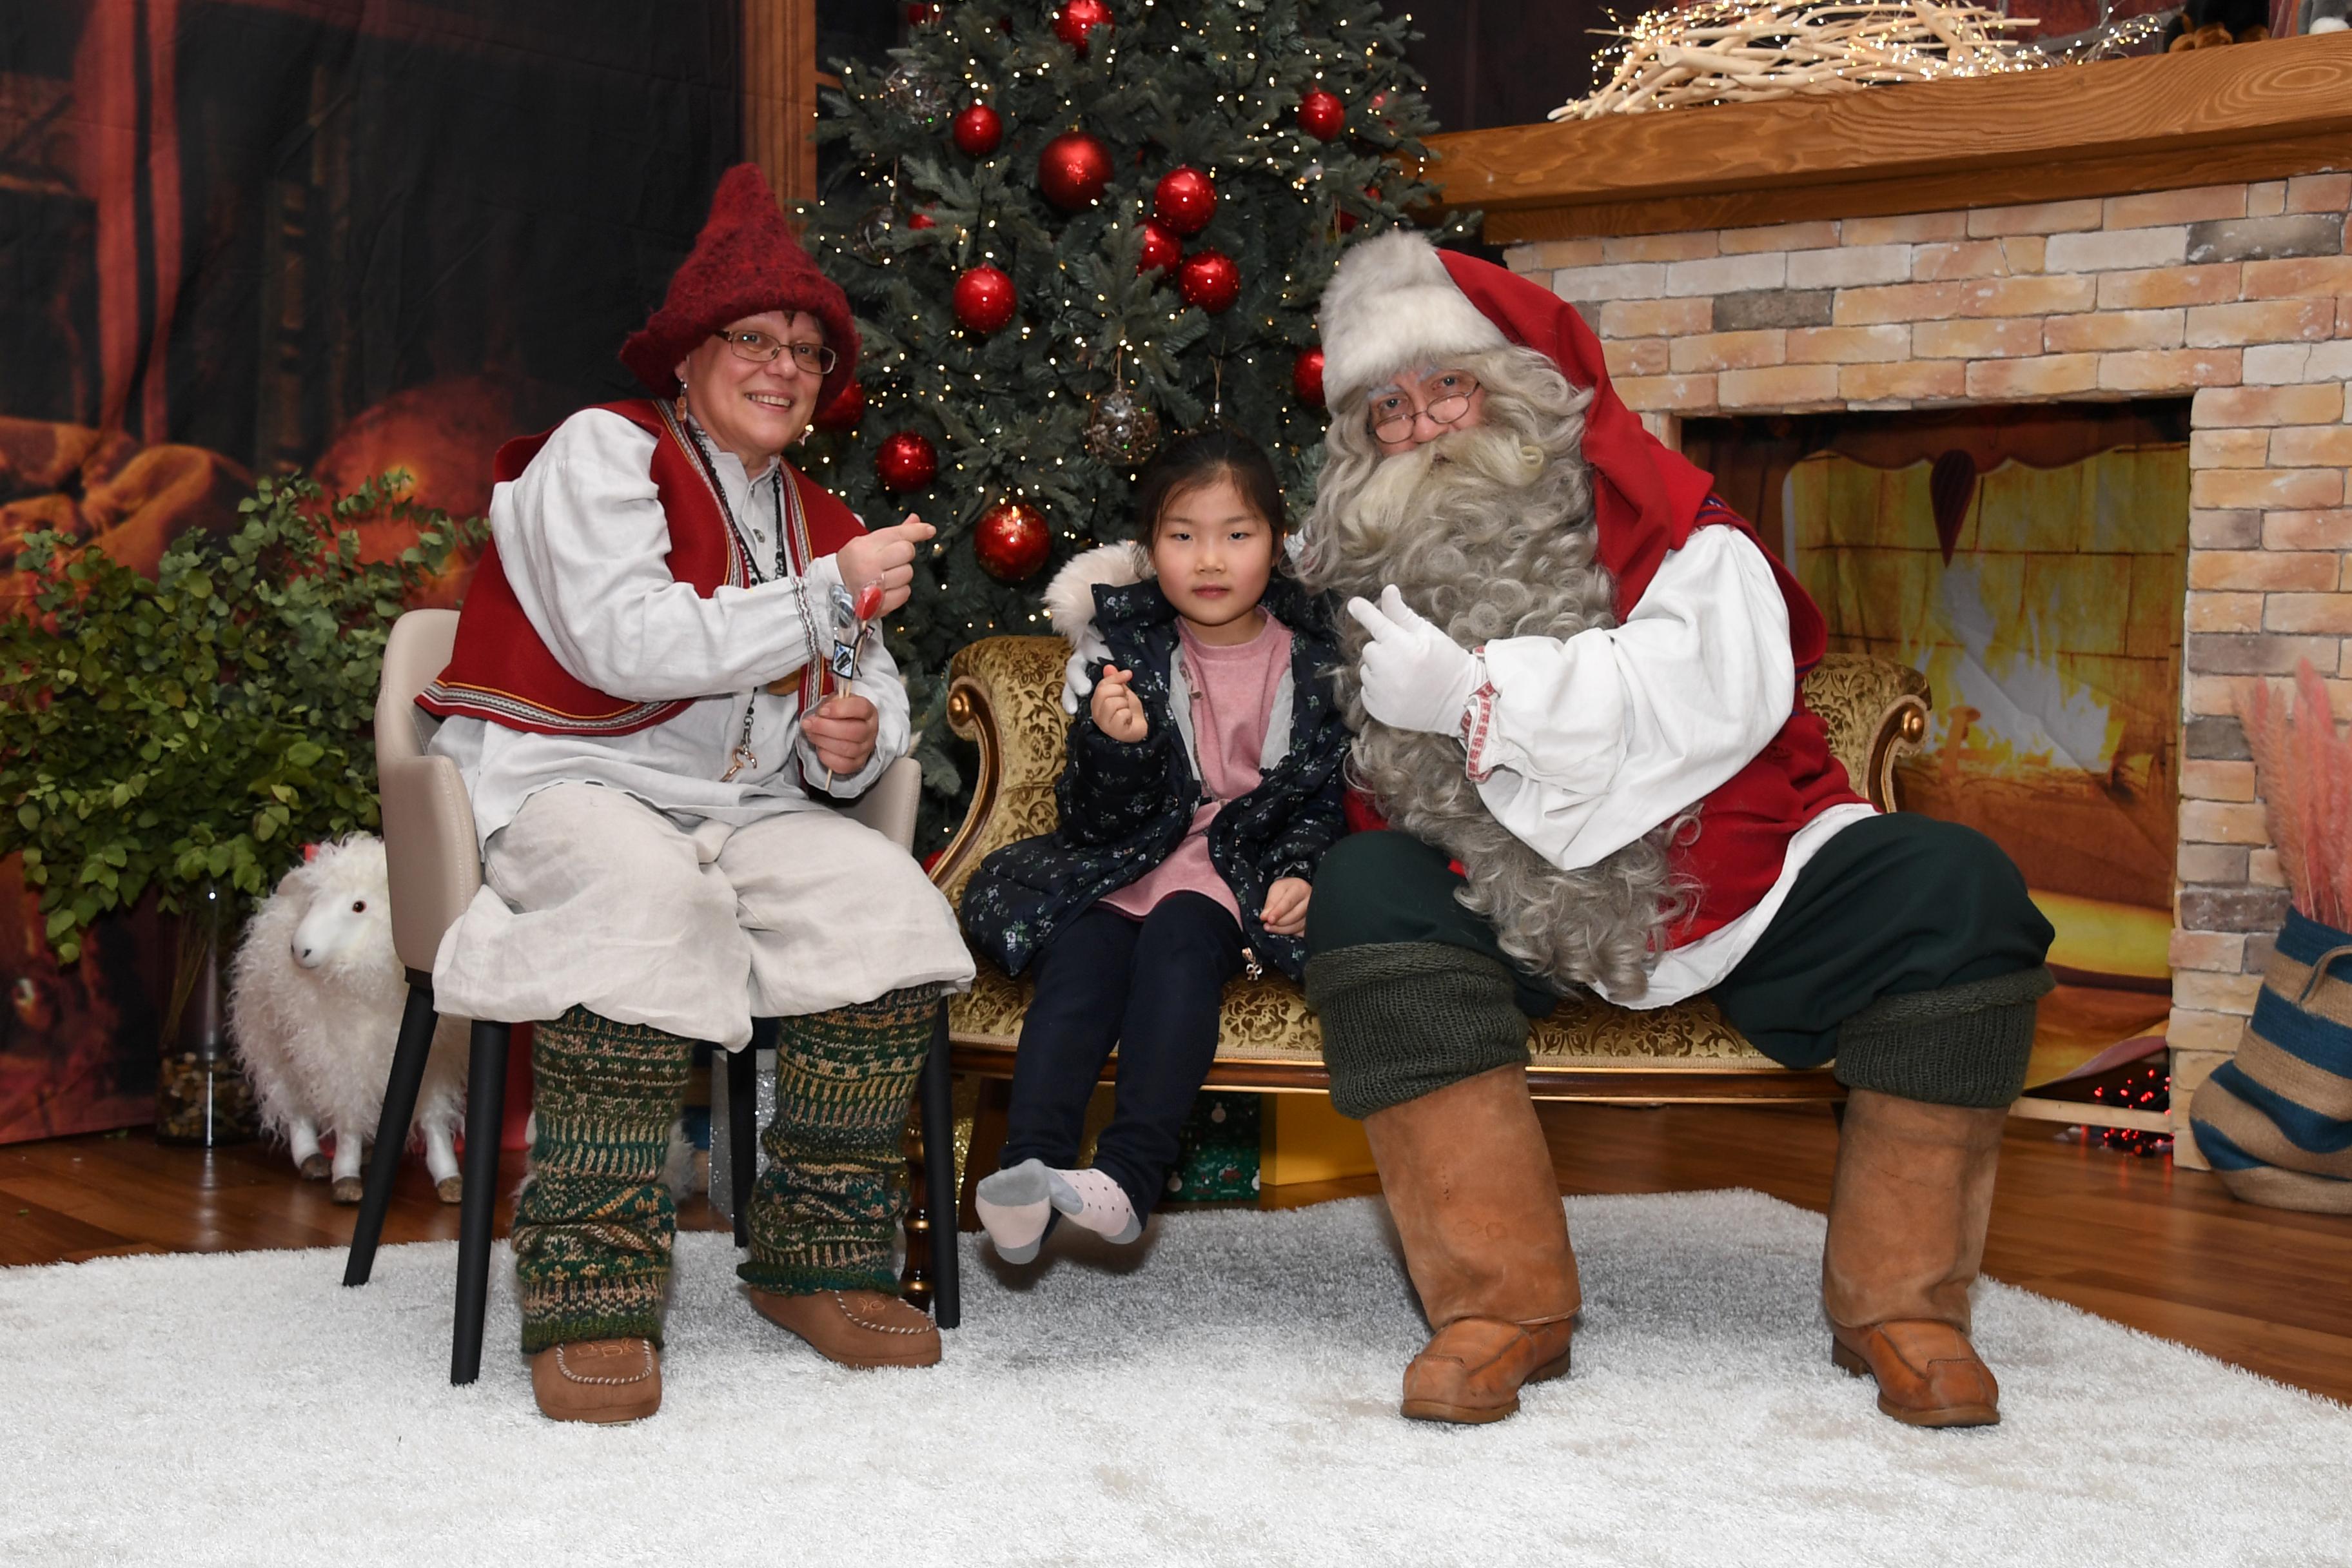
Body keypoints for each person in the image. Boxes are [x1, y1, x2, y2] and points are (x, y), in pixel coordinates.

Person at [1293, 231, 2055, 1429]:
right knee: (1364, 889)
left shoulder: (1674, 519)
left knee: (1954, 886)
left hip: (1732, 878)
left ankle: (1903, 1305)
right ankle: (1497, 1305)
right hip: (1507, 905)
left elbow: (1711, 689)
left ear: (1520, 389)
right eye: (1386, 406)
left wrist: (1473, 695)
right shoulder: (1364, 578)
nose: (1426, 424)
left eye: (1450, 383)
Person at [418, 165, 974, 1424]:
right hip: (574, 781)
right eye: (754, 338)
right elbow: (630, 639)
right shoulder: (599, 454)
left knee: (886, 912)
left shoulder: (818, 513)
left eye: (807, 350)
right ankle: (592, 1281)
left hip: (744, 810)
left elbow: (873, 686)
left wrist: (850, 733)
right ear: (689, 355)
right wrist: (825, 601)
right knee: (642, 902)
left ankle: (817, 1254)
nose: (784, 365)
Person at [959, 431, 1349, 1260]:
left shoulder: (1316, 661)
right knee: (1083, 950)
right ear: (1149, 552)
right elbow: (1090, 822)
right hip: (1125, 862)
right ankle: (1030, 1164)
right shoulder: (1124, 655)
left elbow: (1326, 796)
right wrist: (1117, 747)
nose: (1210, 558)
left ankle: (1128, 1175)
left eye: (1236, 534)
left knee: (1178, 939)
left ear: (1277, 545)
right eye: (1183, 535)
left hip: (1233, 884)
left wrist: (1302, 873)